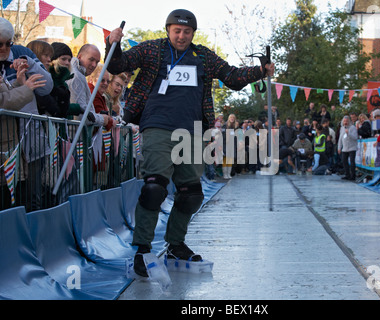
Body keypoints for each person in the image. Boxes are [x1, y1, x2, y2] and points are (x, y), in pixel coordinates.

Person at [106, 9, 275, 277]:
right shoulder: (151, 50)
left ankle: (175, 244)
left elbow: (231, 77)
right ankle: (142, 249)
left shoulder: (203, 56)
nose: (181, 35)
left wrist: (259, 71)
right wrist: (112, 45)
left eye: (186, 31)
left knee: (191, 192)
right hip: (157, 125)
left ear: (193, 33)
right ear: (168, 30)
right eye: (176, 30)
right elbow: (117, 65)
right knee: (154, 188)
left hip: (193, 130)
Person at [1, 63, 47, 210]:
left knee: (13, 201)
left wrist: (18, 84)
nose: (4, 48)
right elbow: (3, 102)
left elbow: (6, 97)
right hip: (4, 150)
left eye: (8, 44)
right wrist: (25, 89)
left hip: (10, 147)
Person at [67, 43, 107, 126]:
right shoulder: (77, 76)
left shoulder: (78, 74)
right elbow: (81, 116)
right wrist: (102, 119)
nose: (94, 65)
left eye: (96, 62)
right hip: (74, 135)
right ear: (79, 57)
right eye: (91, 59)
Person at [337, 116, 358, 181]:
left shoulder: (353, 128)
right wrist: (339, 147)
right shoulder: (342, 128)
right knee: (344, 161)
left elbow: (355, 137)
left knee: (352, 162)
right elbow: (340, 138)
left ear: (349, 121)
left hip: (352, 147)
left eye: (346, 121)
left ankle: (353, 176)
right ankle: (347, 174)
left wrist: (348, 133)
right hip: (345, 148)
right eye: (344, 121)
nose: (345, 122)